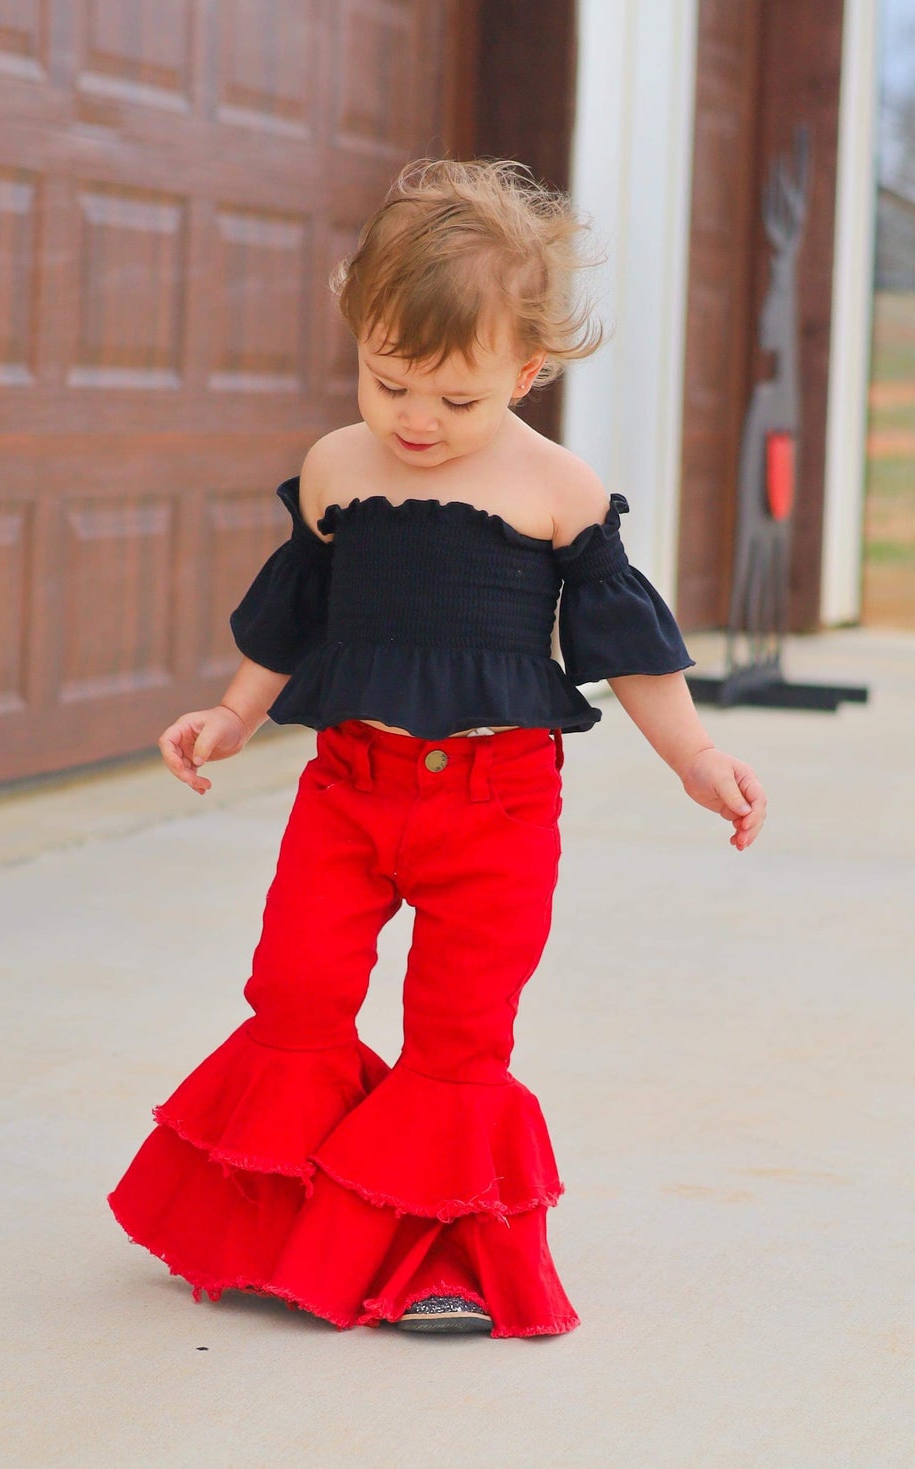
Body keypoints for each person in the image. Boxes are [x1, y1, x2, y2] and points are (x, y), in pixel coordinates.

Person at [108, 159, 767, 1339]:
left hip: (495, 806)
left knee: (458, 1036)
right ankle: (275, 1228)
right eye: (388, 380)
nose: (415, 420)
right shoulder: (334, 470)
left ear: (523, 372)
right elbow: (291, 617)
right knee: (297, 994)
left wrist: (694, 758)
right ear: (360, 335)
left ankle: (443, 1257)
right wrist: (231, 713)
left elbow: (628, 646)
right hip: (347, 791)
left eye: (454, 400)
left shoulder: (556, 489)